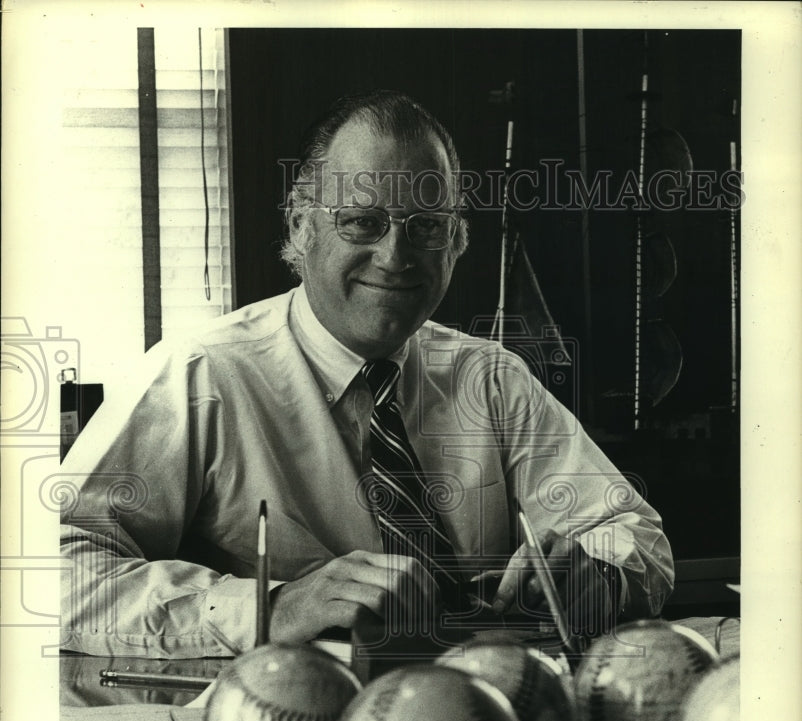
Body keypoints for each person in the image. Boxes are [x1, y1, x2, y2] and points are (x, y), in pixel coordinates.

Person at [60, 90, 673, 659]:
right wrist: (272, 606)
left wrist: (597, 576)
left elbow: (634, 535)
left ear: (456, 242)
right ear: (301, 227)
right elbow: (54, 567)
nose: (395, 256)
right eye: (362, 221)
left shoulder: (491, 379)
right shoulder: (199, 377)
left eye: (427, 226)